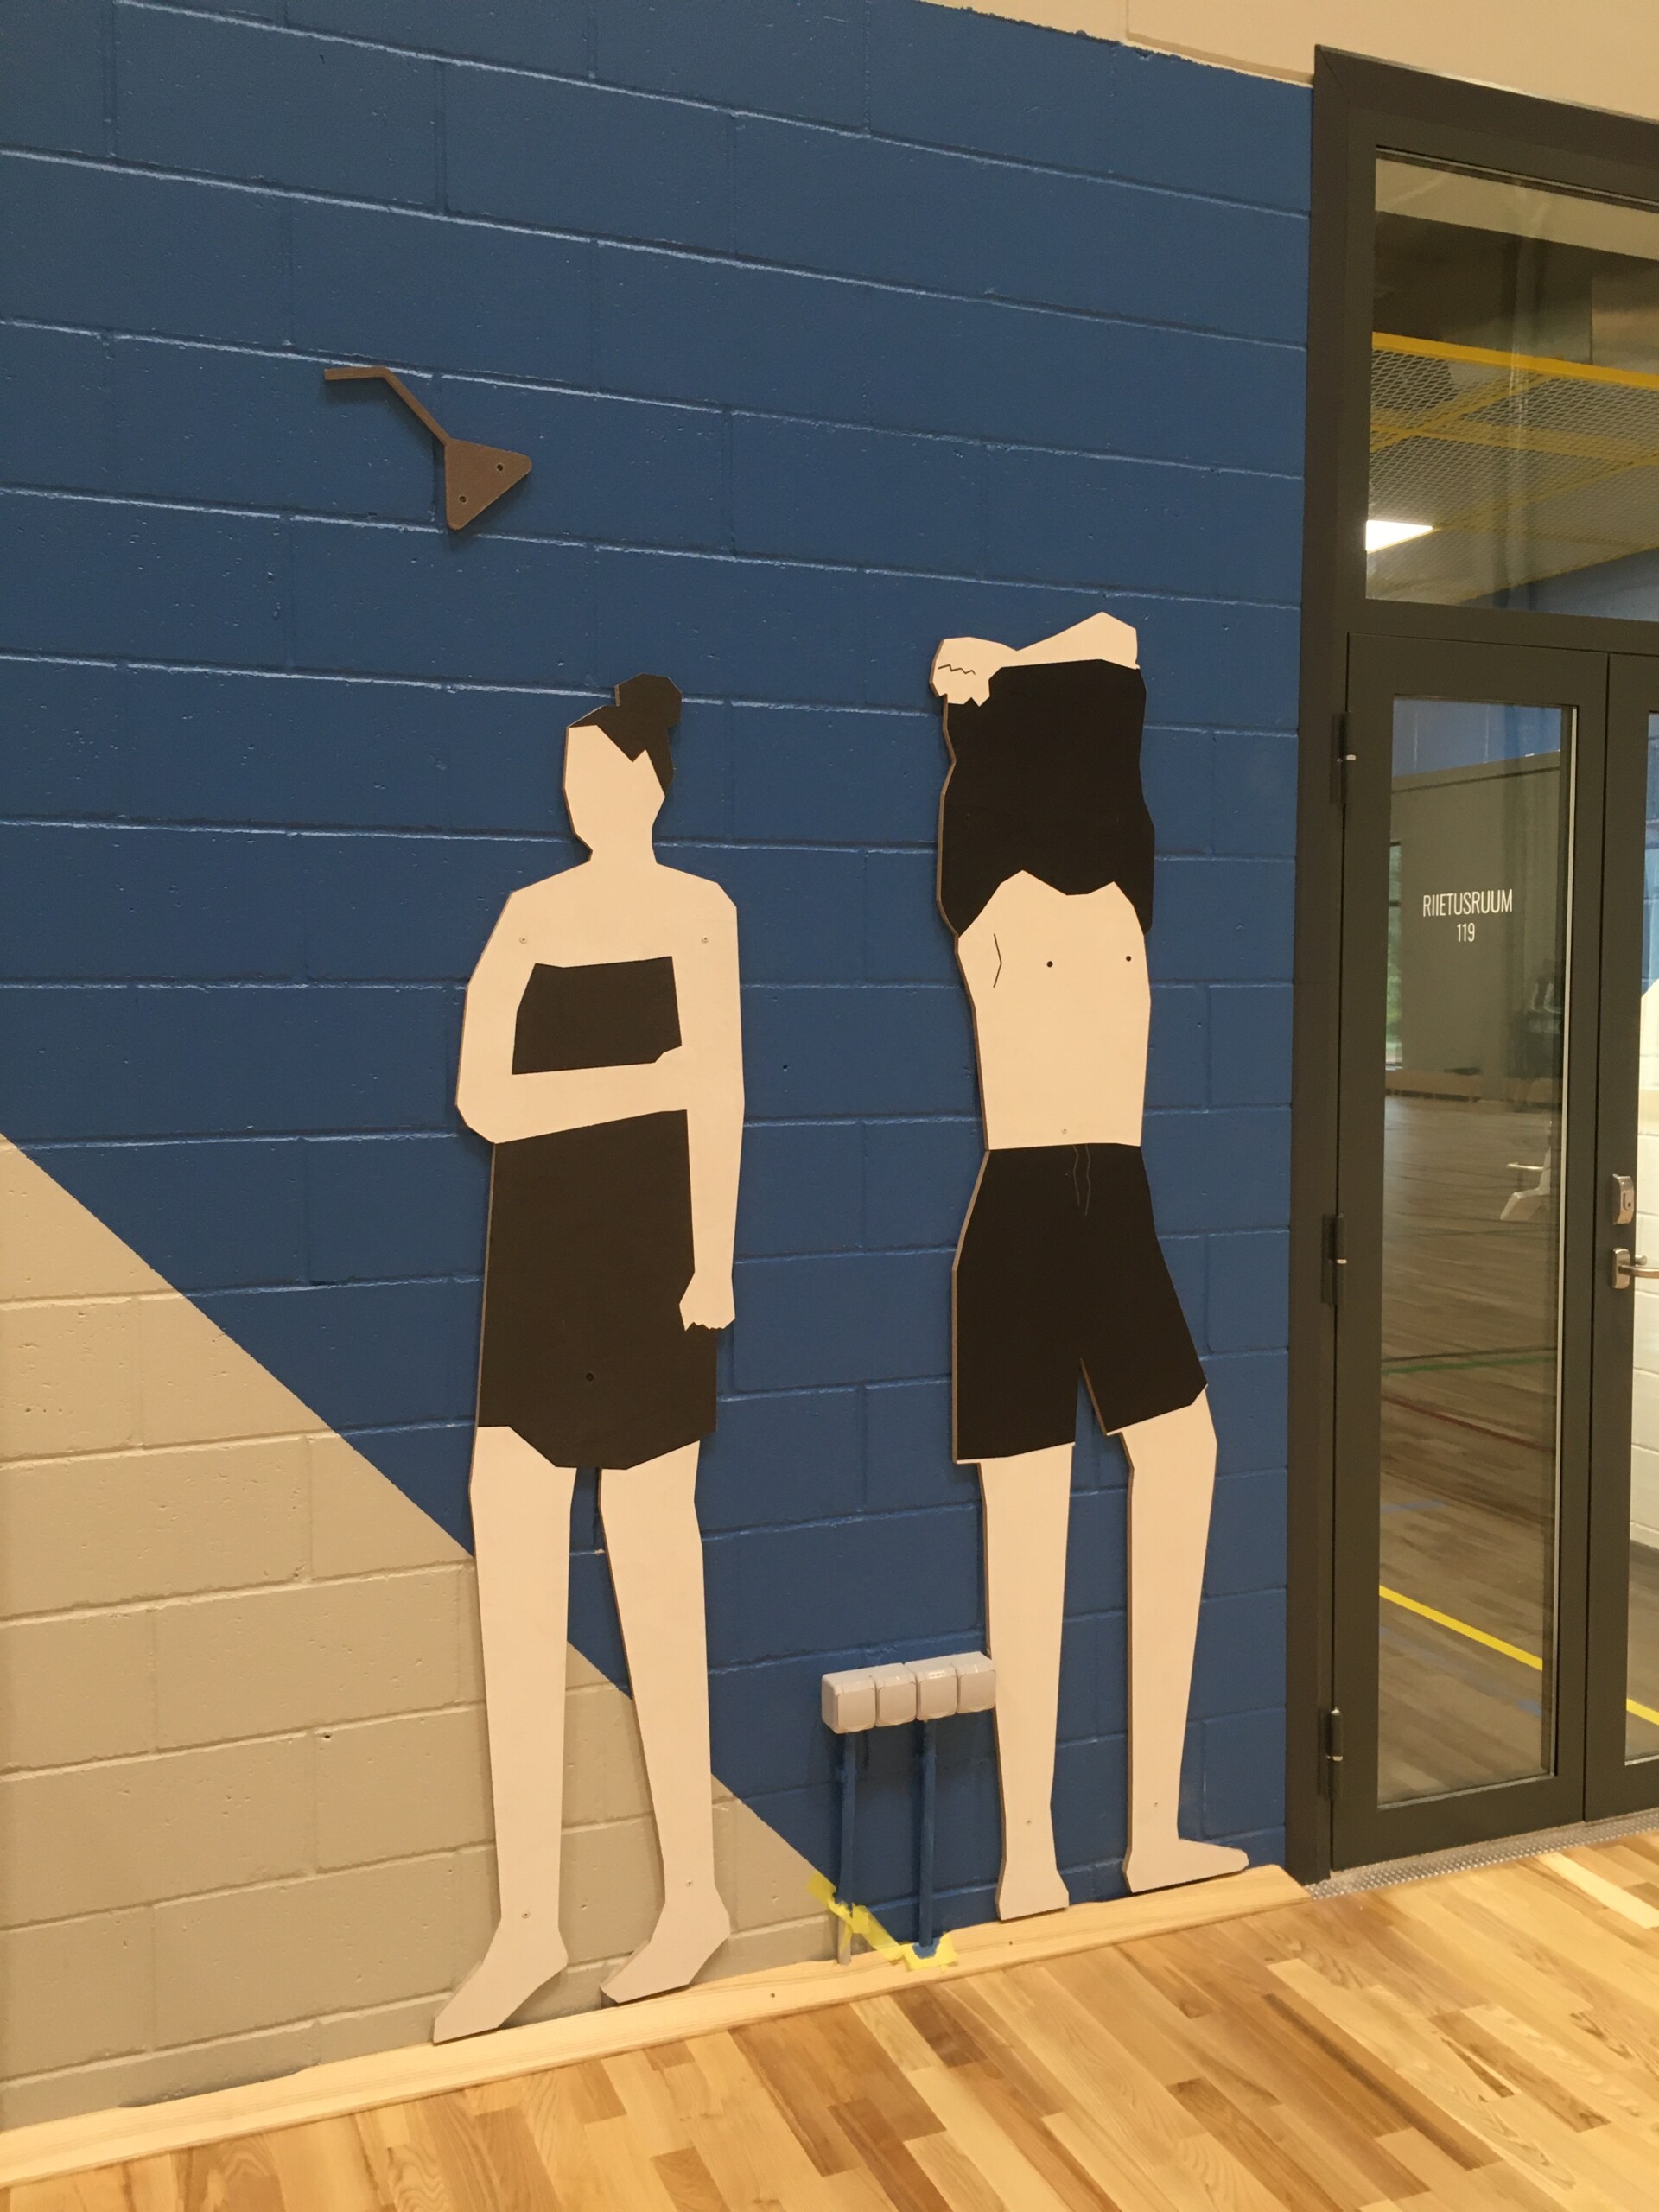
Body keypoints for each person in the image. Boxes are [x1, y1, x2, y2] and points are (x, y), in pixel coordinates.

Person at [435, 674, 741, 2040]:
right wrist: (642, 1084)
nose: (577, 795)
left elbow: (722, 1093)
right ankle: (527, 1925)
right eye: (567, 776)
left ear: (649, 782)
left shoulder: (700, 912)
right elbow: (483, 1102)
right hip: (537, 1275)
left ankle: (695, 1896)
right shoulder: (528, 915)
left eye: (598, 774)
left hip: (652, 1274)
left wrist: (714, 1266)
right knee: (510, 1535)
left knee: (655, 1557)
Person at [932, 612, 1248, 1912]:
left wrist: (997, 675)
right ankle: (1027, 1858)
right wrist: (986, 683)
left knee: (1183, 1455)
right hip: (1025, 1209)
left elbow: (1114, 637)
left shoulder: (1118, 887)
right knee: (1030, 1517)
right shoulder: (991, 892)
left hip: (1111, 1202)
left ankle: (1149, 1832)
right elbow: (1094, 654)